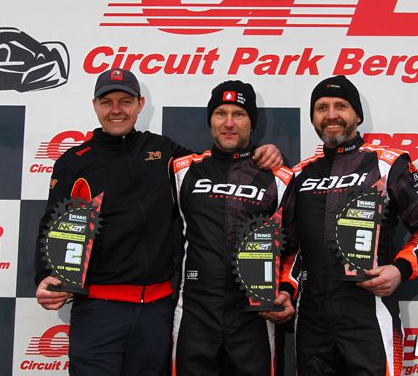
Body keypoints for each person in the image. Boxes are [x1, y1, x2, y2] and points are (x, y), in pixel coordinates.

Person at [34, 69, 282, 376]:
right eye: (107, 101)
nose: (116, 110)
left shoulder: (164, 152)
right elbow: (52, 225)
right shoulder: (74, 161)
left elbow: (220, 165)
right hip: (98, 310)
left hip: (156, 310)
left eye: (125, 101)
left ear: (140, 104)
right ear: (95, 105)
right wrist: (44, 276)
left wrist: (261, 153)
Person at [281, 76, 418, 376]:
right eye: (322, 108)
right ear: (313, 118)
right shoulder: (299, 175)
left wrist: (400, 269)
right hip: (311, 318)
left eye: (341, 106)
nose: (331, 115)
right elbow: (290, 247)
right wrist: (285, 288)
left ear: (357, 115)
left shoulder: (388, 163)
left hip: (369, 311)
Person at [171, 80, 295, 376]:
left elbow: (296, 247)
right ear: (210, 120)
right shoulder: (182, 170)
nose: (228, 123)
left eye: (238, 114)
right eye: (220, 113)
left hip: (256, 313)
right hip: (195, 311)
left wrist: (286, 289)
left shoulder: (280, 177)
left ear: (252, 123)